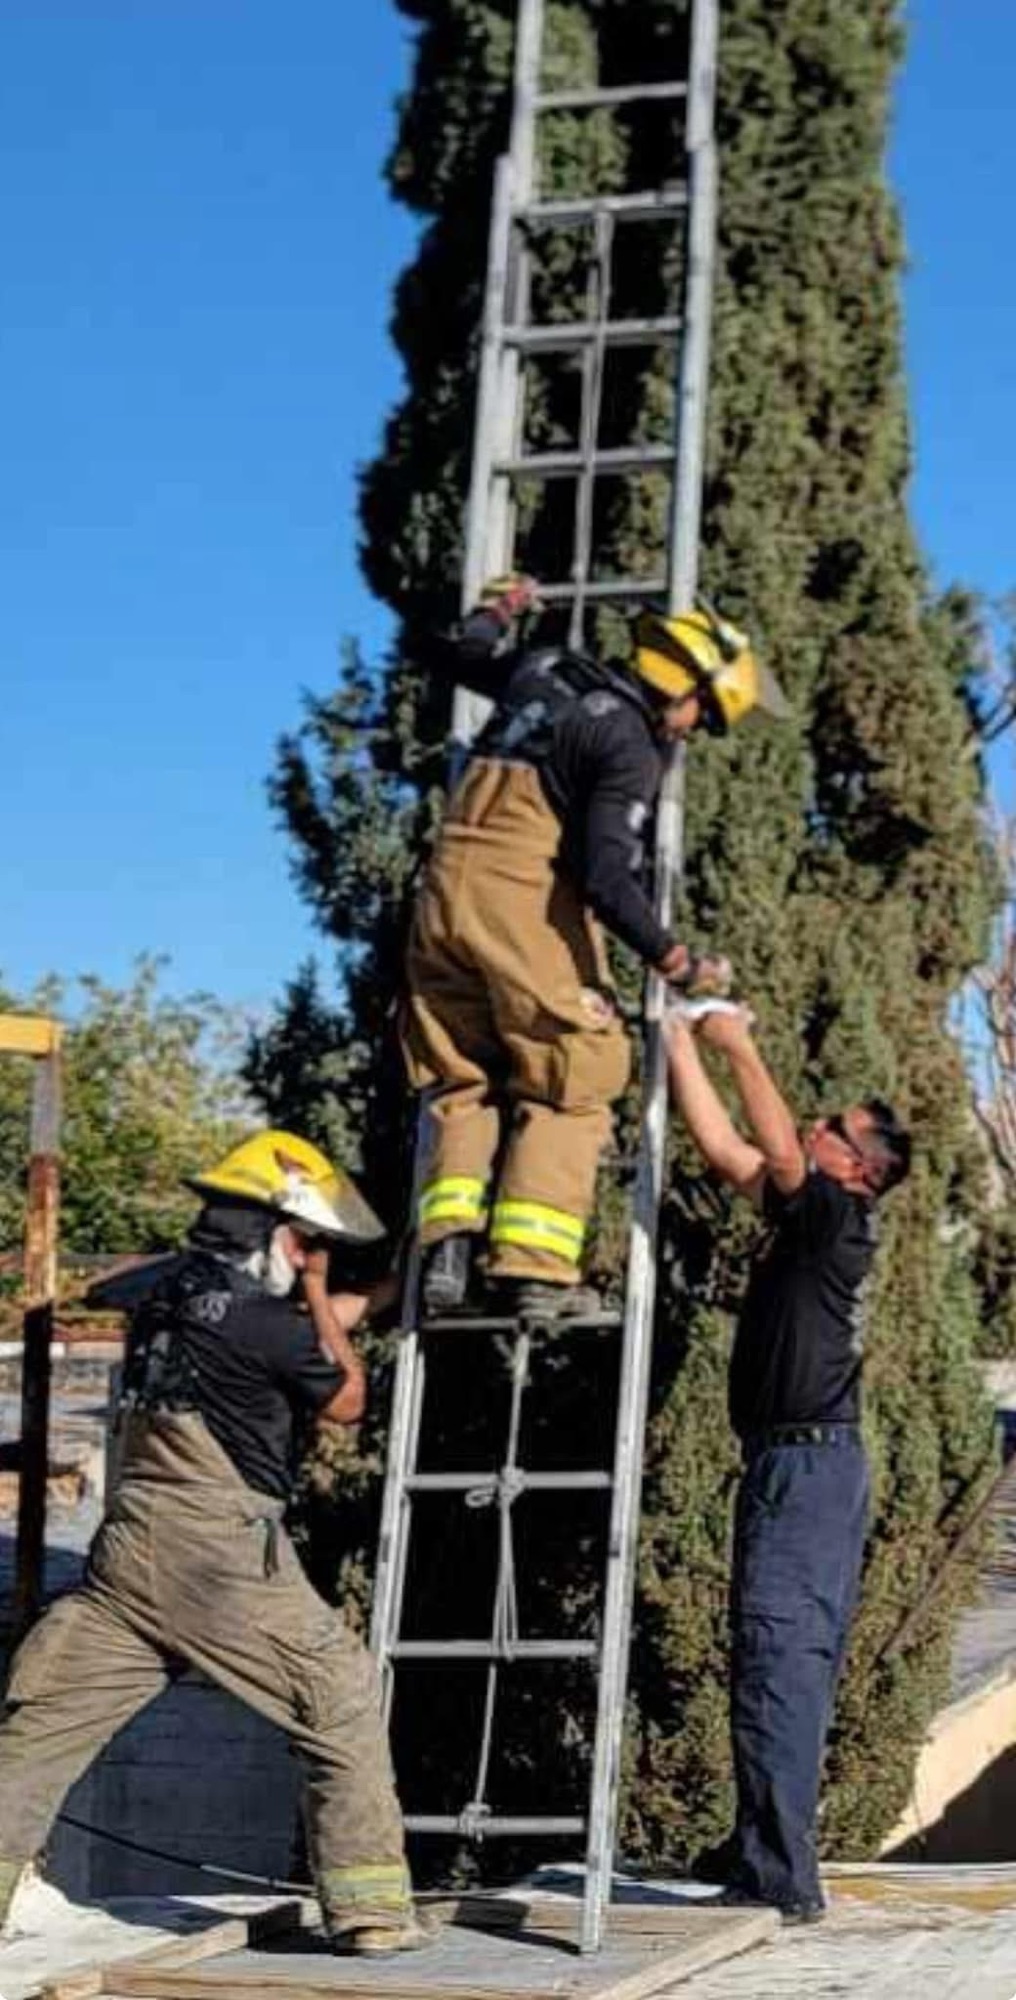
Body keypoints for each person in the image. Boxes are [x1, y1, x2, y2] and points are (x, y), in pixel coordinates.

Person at [0, 1130, 430, 1957]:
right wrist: (314, 1286)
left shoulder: (166, 1296)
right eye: (311, 1245)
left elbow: (276, 1338)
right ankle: (372, 1911)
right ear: (281, 1234)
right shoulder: (268, 1318)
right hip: (217, 1556)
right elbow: (341, 1395)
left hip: (128, 1553)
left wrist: (368, 1298)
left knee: (44, 1720)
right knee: (337, 1692)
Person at [402, 574, 791, 1321]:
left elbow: (454, 652)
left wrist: (498, 610)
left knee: (461, 1073)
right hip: (520, 898)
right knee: (579, 1069)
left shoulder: (549, 670)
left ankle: (447, 1249)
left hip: (443, 894)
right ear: (682, 689)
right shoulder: (628, 743)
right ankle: (533, 1272)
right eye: (701, 717)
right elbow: (607, 877)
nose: (688, 733)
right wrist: (677, 960)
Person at [664, 1002, 911, 1923]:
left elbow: (773, 1144)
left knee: (782, 1659)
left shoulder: (838, 1216)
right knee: (772, 1657)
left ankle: (778, 1874)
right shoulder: (809, 1217)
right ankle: (760, 1841)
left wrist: (737, 1041)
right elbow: (731, 1148)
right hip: (793, 1468)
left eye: (832, 1128)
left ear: (860, 1166)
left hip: (810, 1472)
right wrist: (679, 1041)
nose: (813, 1125)